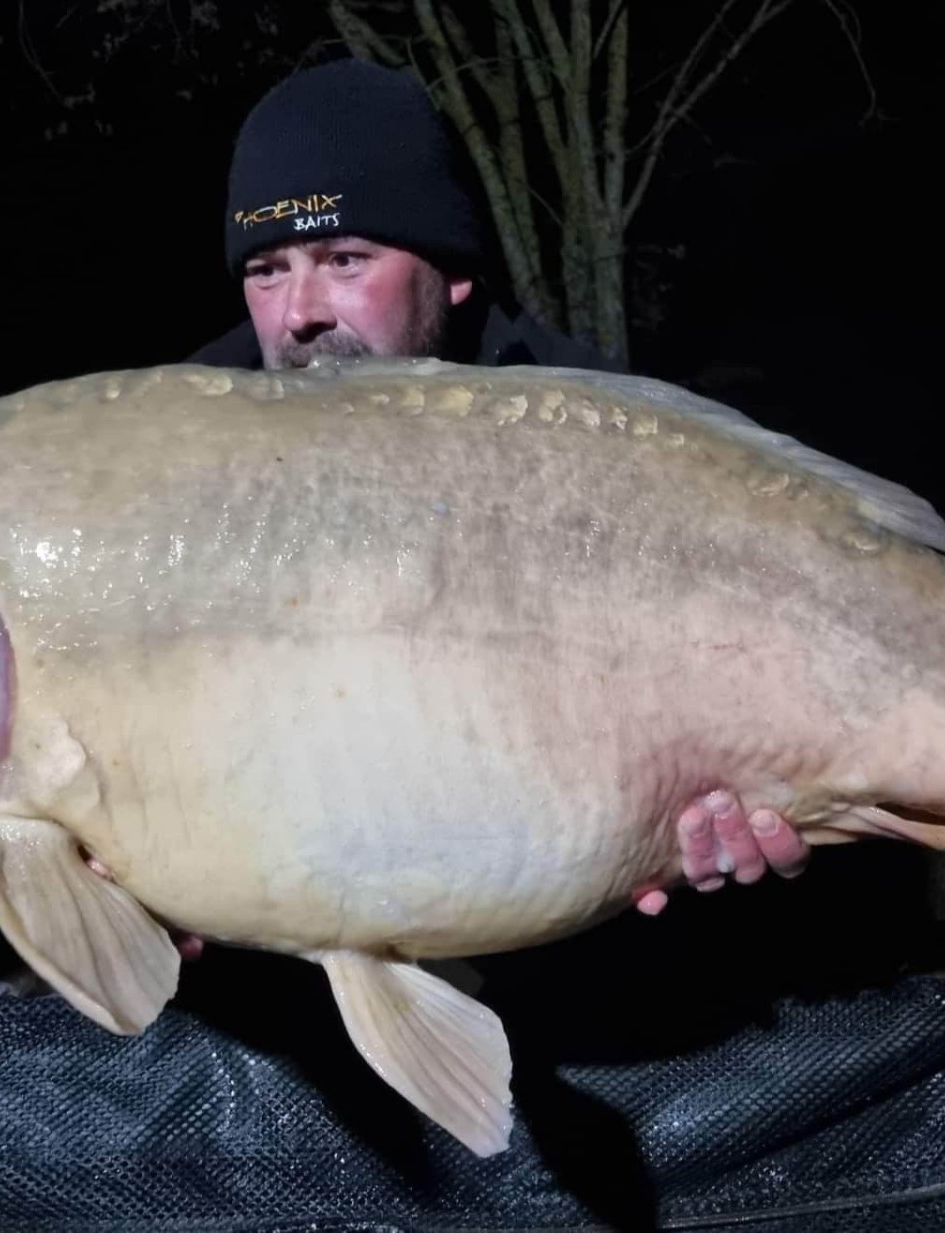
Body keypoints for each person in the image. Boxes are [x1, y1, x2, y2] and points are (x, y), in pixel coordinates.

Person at [182, 56, 815, 915]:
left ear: (453, 271)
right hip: (292, 926)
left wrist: (728, 805)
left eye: (344, 258)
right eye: (267, 269)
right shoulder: (182, 444)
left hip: (566, 926)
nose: (299, 314)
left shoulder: (591, 429)